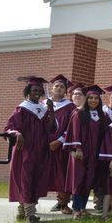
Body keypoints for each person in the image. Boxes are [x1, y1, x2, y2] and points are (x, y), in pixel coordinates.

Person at [5, 76, 55, 223]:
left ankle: (22, 209)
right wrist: (17, 133)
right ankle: (30, 215)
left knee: (36, 179)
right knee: (26, 179)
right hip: (25, 151)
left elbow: (50, 128)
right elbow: (8, 128)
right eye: (34, 90)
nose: (37, 92)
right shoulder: (22, 109)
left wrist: (51, 110)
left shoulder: (44, 109)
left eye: (39, 90)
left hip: (40, 151)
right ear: (28, 91)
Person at [64, 85, 106, 219]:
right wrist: (77, 148)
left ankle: (83, 208)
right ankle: (76, 209)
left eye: (96, 98)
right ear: (86, 99)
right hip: (81, 153)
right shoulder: (79, 113)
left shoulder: (101, 115)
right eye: (91, 98)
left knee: (88, 179)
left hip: (94, 153)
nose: (93, 100)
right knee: (78, 180)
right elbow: (74, 132)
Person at [46, 74, 77, 215]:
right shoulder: (43, 104)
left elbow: (71, 127)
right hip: (44, 145)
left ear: (66, 91)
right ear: (52, 88)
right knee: (43, 173)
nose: (58, 88)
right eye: (56, 86)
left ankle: (63, 203)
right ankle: (29, 205)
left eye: (62, 86)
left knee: (62, 174)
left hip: (61, 145)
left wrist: (59, 141)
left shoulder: (70, 107)